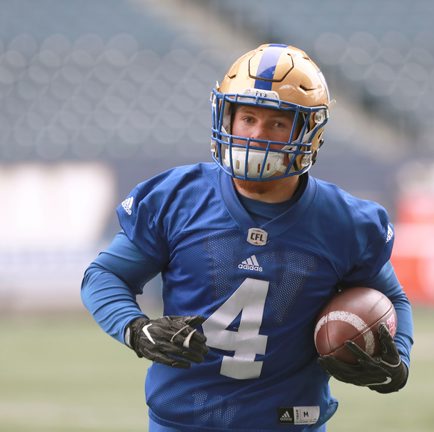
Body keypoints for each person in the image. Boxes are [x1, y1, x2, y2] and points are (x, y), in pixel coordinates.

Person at [81, 43, 414, 432]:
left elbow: (393, 298)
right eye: (248, 118)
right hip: (182, 423)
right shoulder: (179, 197)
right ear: (227, 118)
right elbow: (104, 276)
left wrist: (399, 358)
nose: (257, 135)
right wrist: (136, 329)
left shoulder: (344, 222)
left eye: (276, 123)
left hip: (292, 423)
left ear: (309, 132)